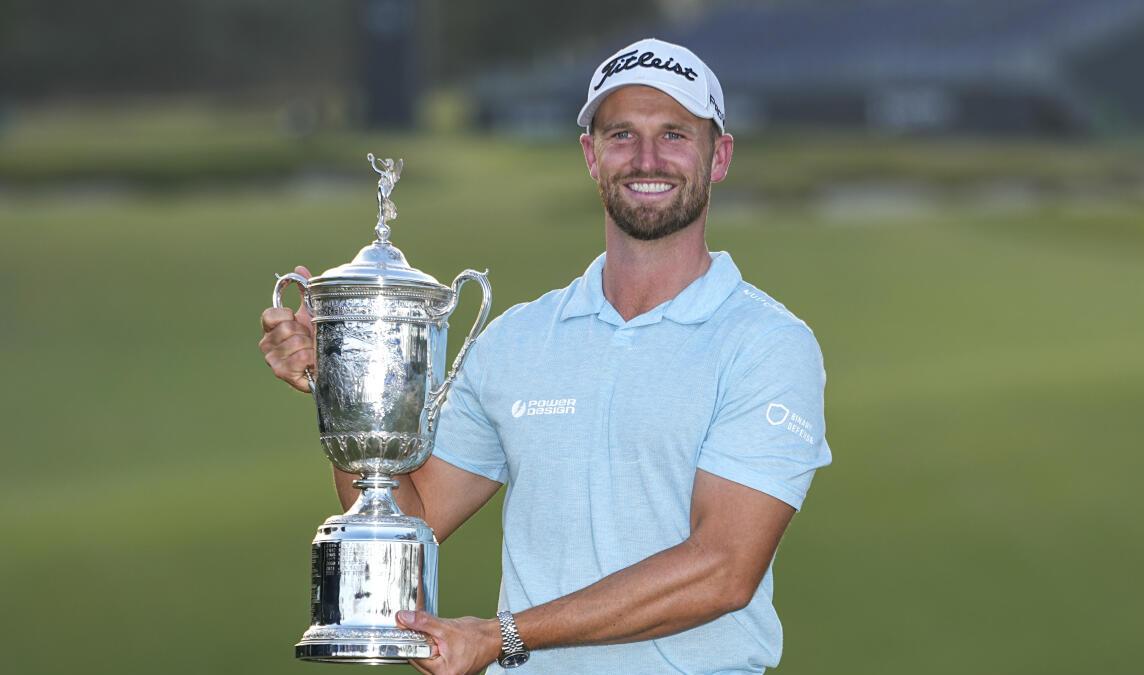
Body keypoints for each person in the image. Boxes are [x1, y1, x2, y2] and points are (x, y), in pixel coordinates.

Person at [260, 38, 832, 675]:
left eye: (674, 134)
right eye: (621, 135)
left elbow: (723, 571)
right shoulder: (518, 339)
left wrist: (505, 636)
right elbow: (412, 515)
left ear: (718, 156)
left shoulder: (766, 343)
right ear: (591, 155)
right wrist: (341, 375)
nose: (647, 158)